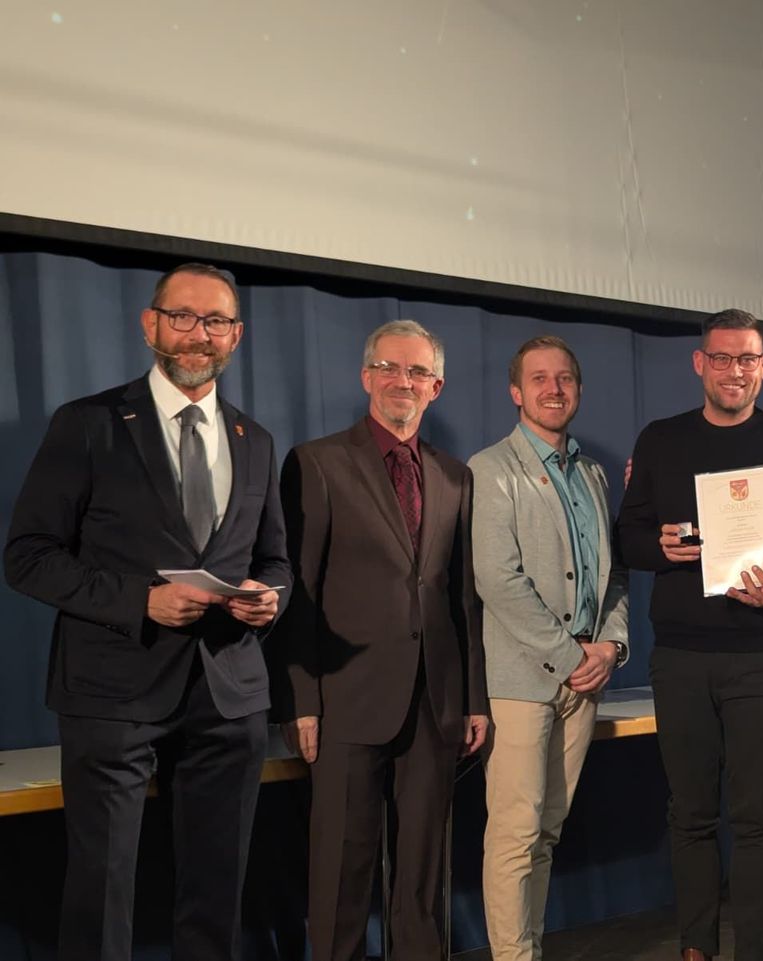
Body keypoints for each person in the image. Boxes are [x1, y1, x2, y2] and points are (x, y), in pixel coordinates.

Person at [4, 263, 290, 961]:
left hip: (228, 696)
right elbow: (28, 554)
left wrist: (268, 599)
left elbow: (276, 559)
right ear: (150, 323)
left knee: (216, 890)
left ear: (237, 335)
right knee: (103, 891)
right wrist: (142, 600)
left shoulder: (256, 440)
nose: (199, 334)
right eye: (183, 316)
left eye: (216, 321)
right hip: (112, 694)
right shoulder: (89, 423)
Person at [615, 309, 763, 961]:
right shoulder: (661, 440)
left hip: (760, 657)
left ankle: (754, 951)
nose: (734, 370)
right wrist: (659, 546)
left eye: (747, 359)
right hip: (680, 657)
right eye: (721, 357)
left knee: (755, 818)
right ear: (699, 363)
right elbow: (628, 535)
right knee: (691, 813)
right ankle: (696, 947)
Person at [271, 320, 488, 961]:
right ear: (367, 376)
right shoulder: (316, 463)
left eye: (418, 372)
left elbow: (460, 598)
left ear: (437, 387)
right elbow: (297, 588)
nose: (404, 381)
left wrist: (473, 698)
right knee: (341, 868)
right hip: (344, 699)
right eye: (390, 368)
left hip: (435, 702)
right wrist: (299, 698)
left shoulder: (455, 477)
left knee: (423, 873)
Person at [468, 335, 629, 961]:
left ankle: (528, 949)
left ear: (579, 391)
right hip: (522, 681)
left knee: (547, 833)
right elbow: (497, 579)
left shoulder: (592, 474)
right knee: (513, 833)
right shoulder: (491, 469)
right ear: (516, 393)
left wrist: (611, 646)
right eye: (539, 378)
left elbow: (613, 574)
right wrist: (572, 657)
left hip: (585, 679)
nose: (553, 388)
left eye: (565, 378)